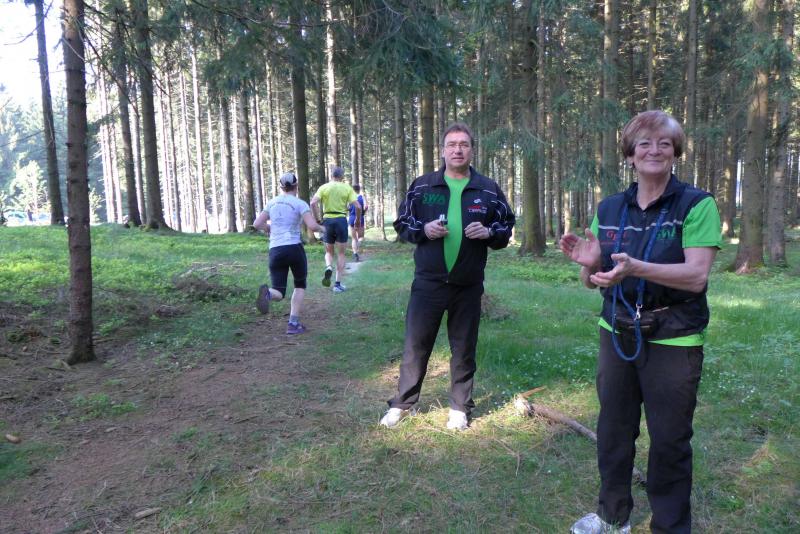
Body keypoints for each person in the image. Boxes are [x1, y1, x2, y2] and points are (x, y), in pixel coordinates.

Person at [559, 110, 721, 534]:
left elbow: (696, 275)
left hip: (675, 336)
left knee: (669, 439)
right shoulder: (610, 207)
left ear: (675, 153)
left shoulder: (696, 204)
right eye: (644, 144)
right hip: (616, 331)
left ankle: (670, 526)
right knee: (614, 430)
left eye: (664, 143)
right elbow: (592, 279)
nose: (654, 150)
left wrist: (635, 268)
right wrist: (590, 265)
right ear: (630, 155)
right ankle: (613, 517)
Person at [380, 122, 515, 431]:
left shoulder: (488, 189)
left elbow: (506, 227)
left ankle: (459, 408)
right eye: (452, 144)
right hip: (428, 282)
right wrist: (423, 230)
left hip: (468, 285)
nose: (458, 150)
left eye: (464, 144)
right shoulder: (423, 186)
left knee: (464, 348)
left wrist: (489, 232)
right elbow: (402, 223)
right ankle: (402, 404)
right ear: (442, 151)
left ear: (472, 150)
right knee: (416, 345)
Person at [253, 172, 325, 335]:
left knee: (279, 291)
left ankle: (268, 294)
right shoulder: (300, 203)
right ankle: (293, 324)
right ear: (296, 186)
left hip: (275, 249)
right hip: (294, 248)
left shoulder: (272, 203)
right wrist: (323, 229)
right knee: (300, 285)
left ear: (281, 187)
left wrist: (268, 228)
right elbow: (312, 226)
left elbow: (257, 224)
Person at [311, 166, 361, 293]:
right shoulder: (347, 188)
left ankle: (329, 266)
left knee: (329, 252)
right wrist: (357, 220)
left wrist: (317, 219)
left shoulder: (324, 187)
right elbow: (358, 206)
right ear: (342, 176)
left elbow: (313, 203)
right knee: (341, 253)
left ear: (331, 175)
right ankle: (337, 284)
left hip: (327, 221)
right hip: (341, 221)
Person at [348, 184, 368, 262]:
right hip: (360, 218)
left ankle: (355, 253)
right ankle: (358, 246)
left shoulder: (350, 198)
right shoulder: (362, 197)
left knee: (353, 238)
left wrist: (350, 210)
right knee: (361, 237)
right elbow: (366, 207)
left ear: (353, 190)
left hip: (351, 218)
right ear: (359, 189)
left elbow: (347, 207)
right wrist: (364, 212)